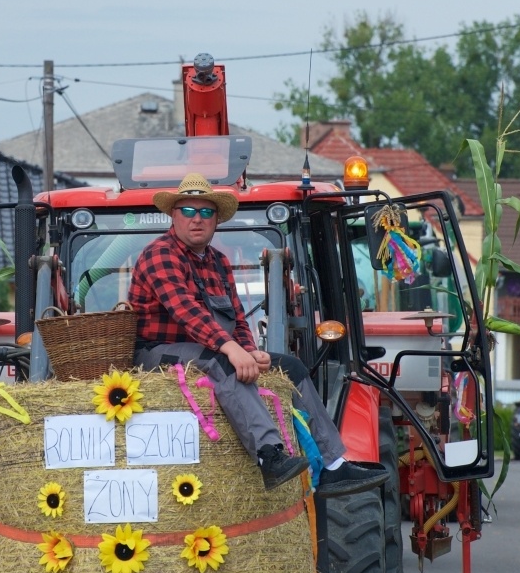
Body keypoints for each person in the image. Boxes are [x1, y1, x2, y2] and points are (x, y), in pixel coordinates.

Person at [128, 173, 388, 496]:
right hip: (158, 353)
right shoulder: (160, 255)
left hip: (208, 349)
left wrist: (250, 349)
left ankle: (334, 465)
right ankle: (269, 456)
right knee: (222, 363)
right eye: (188, 211)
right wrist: (231, 349)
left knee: (290, 366)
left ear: (217, 220)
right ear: (174, 215)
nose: (198, 219)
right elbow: (187, 313)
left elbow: (236, 316)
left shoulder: (219, 263)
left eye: (206, 212)